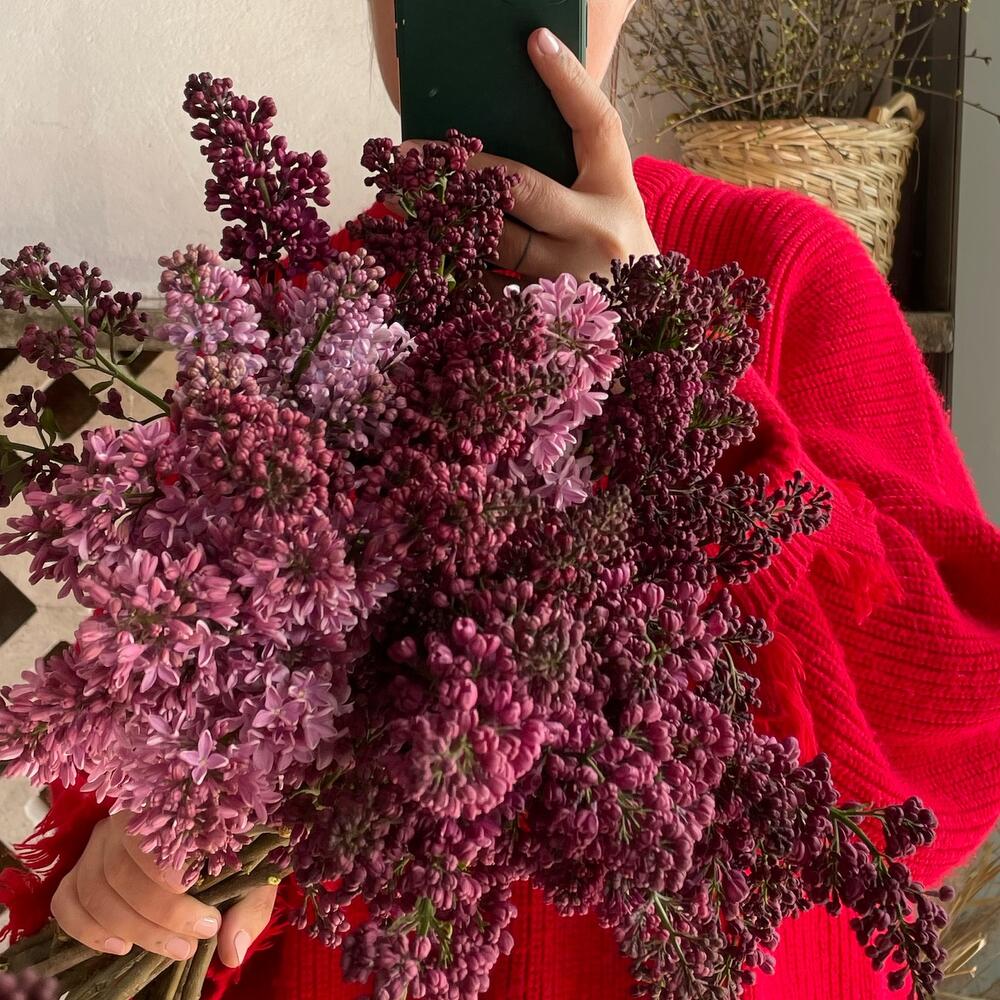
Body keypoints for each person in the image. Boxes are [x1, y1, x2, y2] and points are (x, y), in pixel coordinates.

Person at [34, 1, 1000, 998]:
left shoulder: (780, 265)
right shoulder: (308, 308)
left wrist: (679, 368)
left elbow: (960, 721)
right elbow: (166, 700)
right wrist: (142, 863)